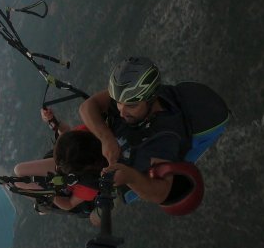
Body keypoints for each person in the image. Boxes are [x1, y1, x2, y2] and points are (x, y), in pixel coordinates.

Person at [79, 56, 189, 205]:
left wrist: (130, 177)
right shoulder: (130, 96)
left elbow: (162, 192)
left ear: (151, 100)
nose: (121, 112)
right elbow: (87, 107)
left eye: (131, 106)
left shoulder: (165, 135)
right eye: (118, 103)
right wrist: (106, 138)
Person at [12, 108, 106, 215]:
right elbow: (66, 134)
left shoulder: (89, 185)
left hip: (65, 185)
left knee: (17, 181)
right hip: (69, 166)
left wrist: (46, 193)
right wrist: (53, 120)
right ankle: (41, 198)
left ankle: (43, 200)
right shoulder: (82, 139)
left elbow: (69, 204)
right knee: (18, 172)